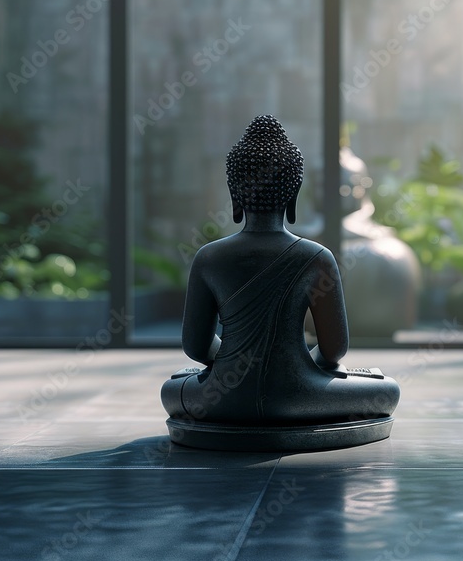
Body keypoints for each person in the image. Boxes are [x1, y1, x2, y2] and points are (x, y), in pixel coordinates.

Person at [161, 115, 400, 431]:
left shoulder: (209, 257)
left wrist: (231, 363)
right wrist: (304, 370)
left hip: (221, 399)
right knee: (387, 390)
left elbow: (196, 348)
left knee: (171, 389)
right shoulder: (317, 257)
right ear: (294, 194)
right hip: (300, 396)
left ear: (235, 194)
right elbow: (334, 351)